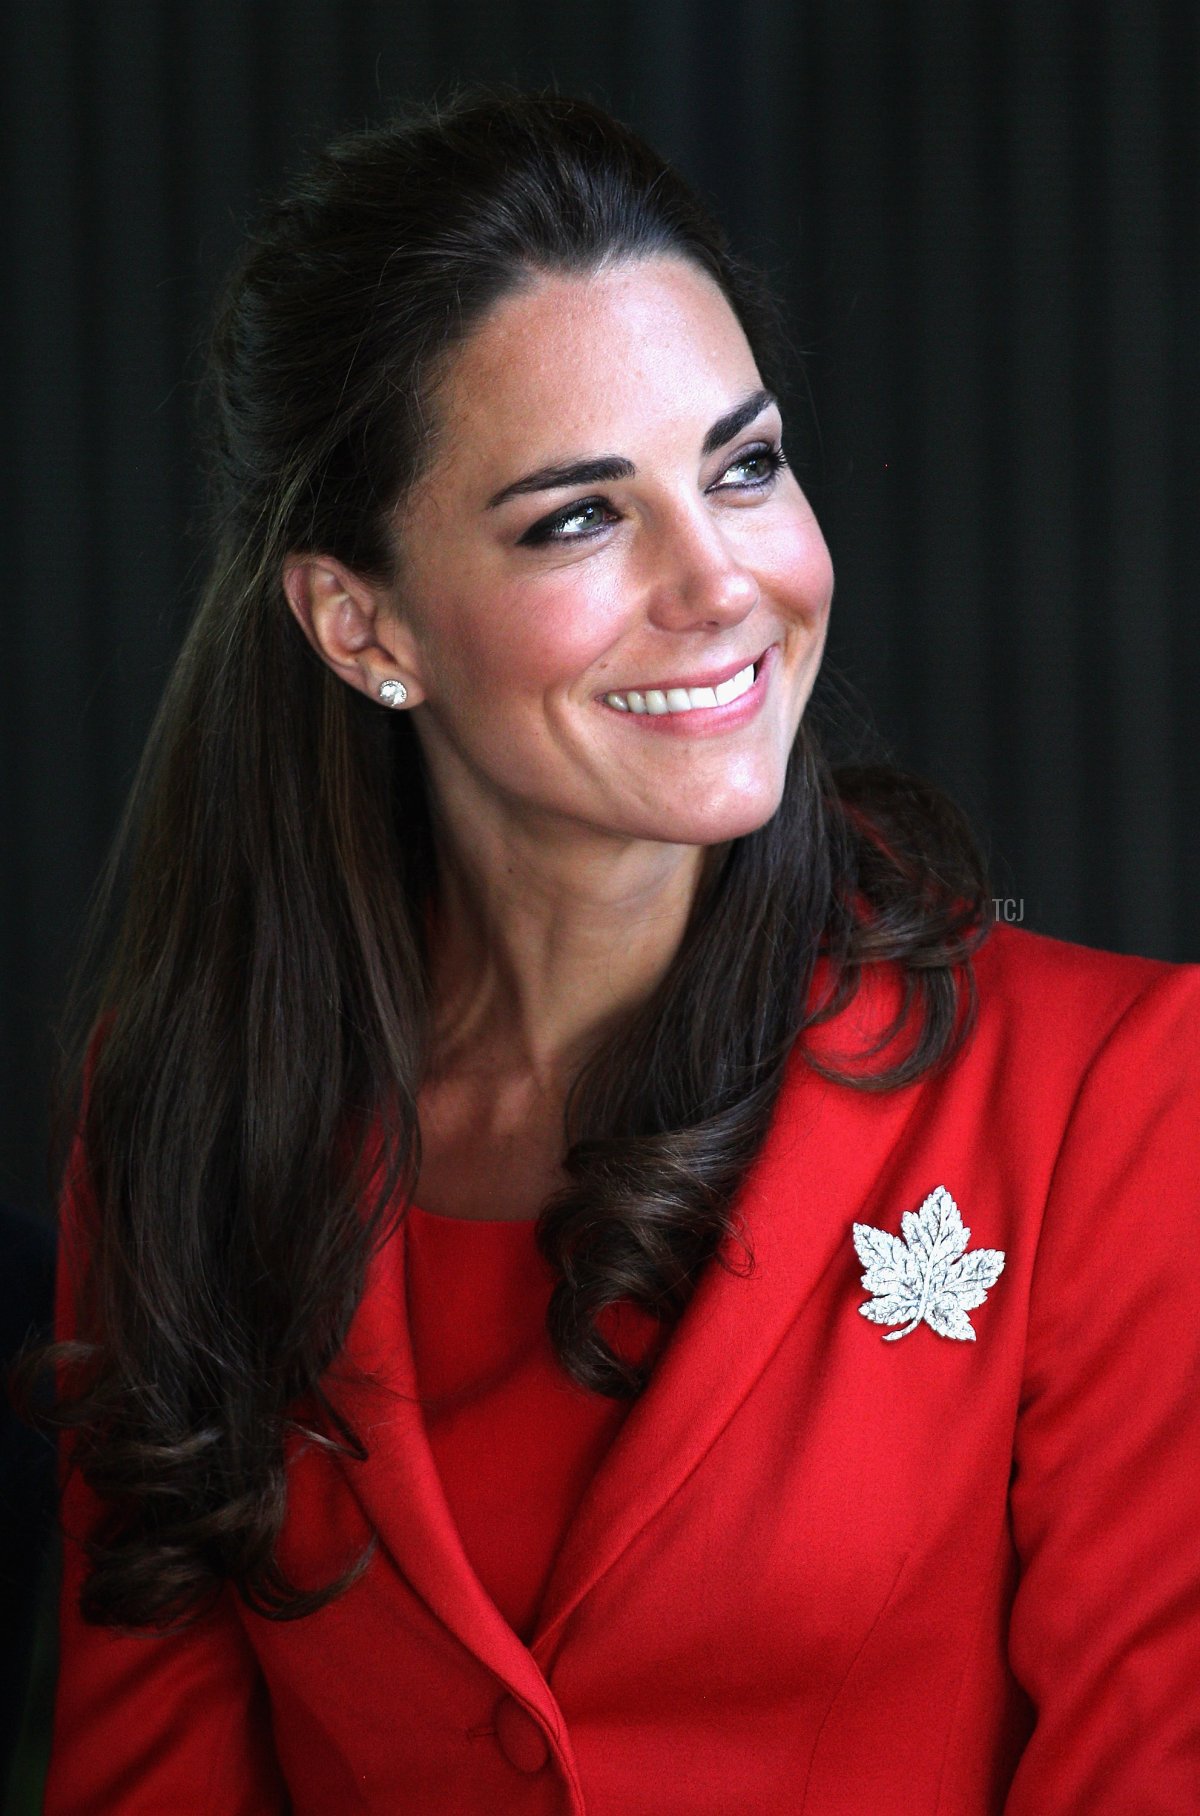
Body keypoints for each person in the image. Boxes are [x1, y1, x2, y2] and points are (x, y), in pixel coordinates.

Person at [37, 88, 1200, 1813]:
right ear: (361, 625)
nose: (720, 580)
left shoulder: (1112, 1096)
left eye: (742, 466)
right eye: (580, 517)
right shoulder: (188, 1116)